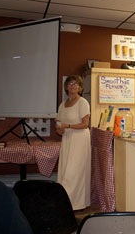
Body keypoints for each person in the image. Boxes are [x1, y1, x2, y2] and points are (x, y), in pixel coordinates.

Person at [56, 75, 91, 210]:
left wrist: (67, 126)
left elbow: (85, 124)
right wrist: (60, 130)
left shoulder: (83, 102)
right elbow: (59, 124)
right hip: (67, 139)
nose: (73, 86)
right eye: (71, 83)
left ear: (80, 87)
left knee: (74, 172)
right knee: (65, 169)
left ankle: (75, 204)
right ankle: (64, 201)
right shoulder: (62, 105)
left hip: (80, 139)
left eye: (76, 84)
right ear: (66, 86)